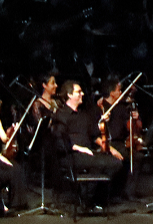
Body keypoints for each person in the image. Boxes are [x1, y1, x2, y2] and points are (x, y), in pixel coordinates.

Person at [53, 80, 121, 208]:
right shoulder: (61, 115)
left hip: (88, 154)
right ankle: (87, 200)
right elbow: (60, 142)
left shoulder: (84, 115)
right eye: (78, 92)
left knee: (115, 163)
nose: (82, 94)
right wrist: (80, 149)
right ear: (69, 95)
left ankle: (90, 198)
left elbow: (95, 135)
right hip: (71, 155)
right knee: (99, 164)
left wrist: (109, 148)